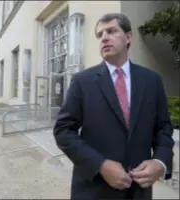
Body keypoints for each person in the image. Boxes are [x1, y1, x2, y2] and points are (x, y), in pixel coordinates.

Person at [53, 13, 174, 200]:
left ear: (128, 37)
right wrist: (100, 164)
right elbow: (63, 130)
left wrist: (160, 162)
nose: (104, 38)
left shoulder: (151, 80)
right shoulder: (82, 82)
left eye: (111, 31)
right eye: (100, 34)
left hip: (138, 191)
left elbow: (164, 128)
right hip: (94, 190)